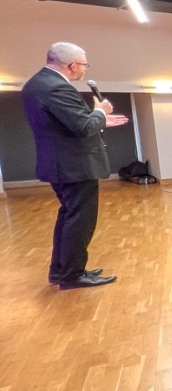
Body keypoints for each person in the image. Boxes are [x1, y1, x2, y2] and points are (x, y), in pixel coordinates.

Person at [21, 41, 127, 288]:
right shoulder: (57, 88)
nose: (84, 70)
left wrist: (100, 120)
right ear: (71, 66)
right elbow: (82, 127)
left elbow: (69, 123)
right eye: (83, 65)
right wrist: (100, 111)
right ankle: (72, 274)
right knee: (80, 220)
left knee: (68, 216)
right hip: (74, 166)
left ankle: (61, 270)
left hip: (61, 164)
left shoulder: (37, 83)